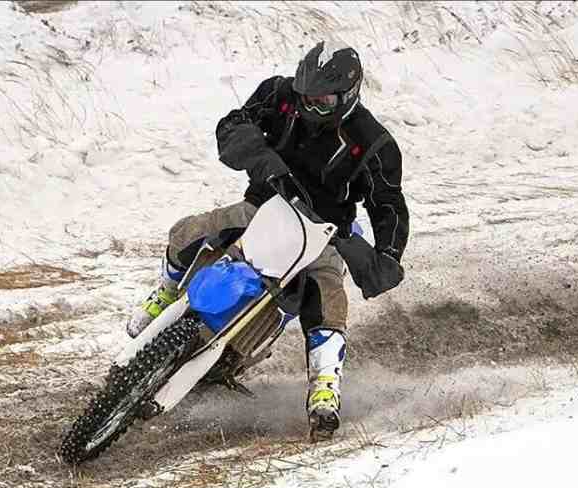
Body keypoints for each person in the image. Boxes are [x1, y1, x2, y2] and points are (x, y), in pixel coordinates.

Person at [126, 41, 409, 436]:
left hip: (323, 234)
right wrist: (260, 158)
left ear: (348, 95)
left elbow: (388, 204)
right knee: (186, 232)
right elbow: (232, 124)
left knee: (328, 295)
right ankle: (167, 292)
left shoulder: (373, 142)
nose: (311, 105)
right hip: (263, 206)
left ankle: (325, 388)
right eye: (306, 95)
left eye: (323, 100)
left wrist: (388, 255)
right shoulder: (280, 95)